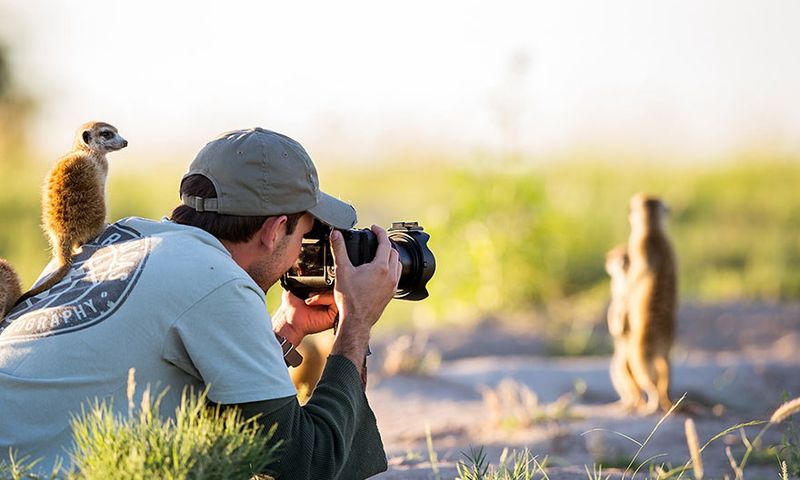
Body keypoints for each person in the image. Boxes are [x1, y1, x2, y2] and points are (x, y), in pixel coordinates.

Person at [0, 128, 400, 479]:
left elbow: (195, 396)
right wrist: (355, 324)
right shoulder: (219, 280)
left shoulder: (114, 239)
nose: (300, 253)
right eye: (303, 237)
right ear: (276, 230)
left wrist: (284, 331)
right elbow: (308, 463)